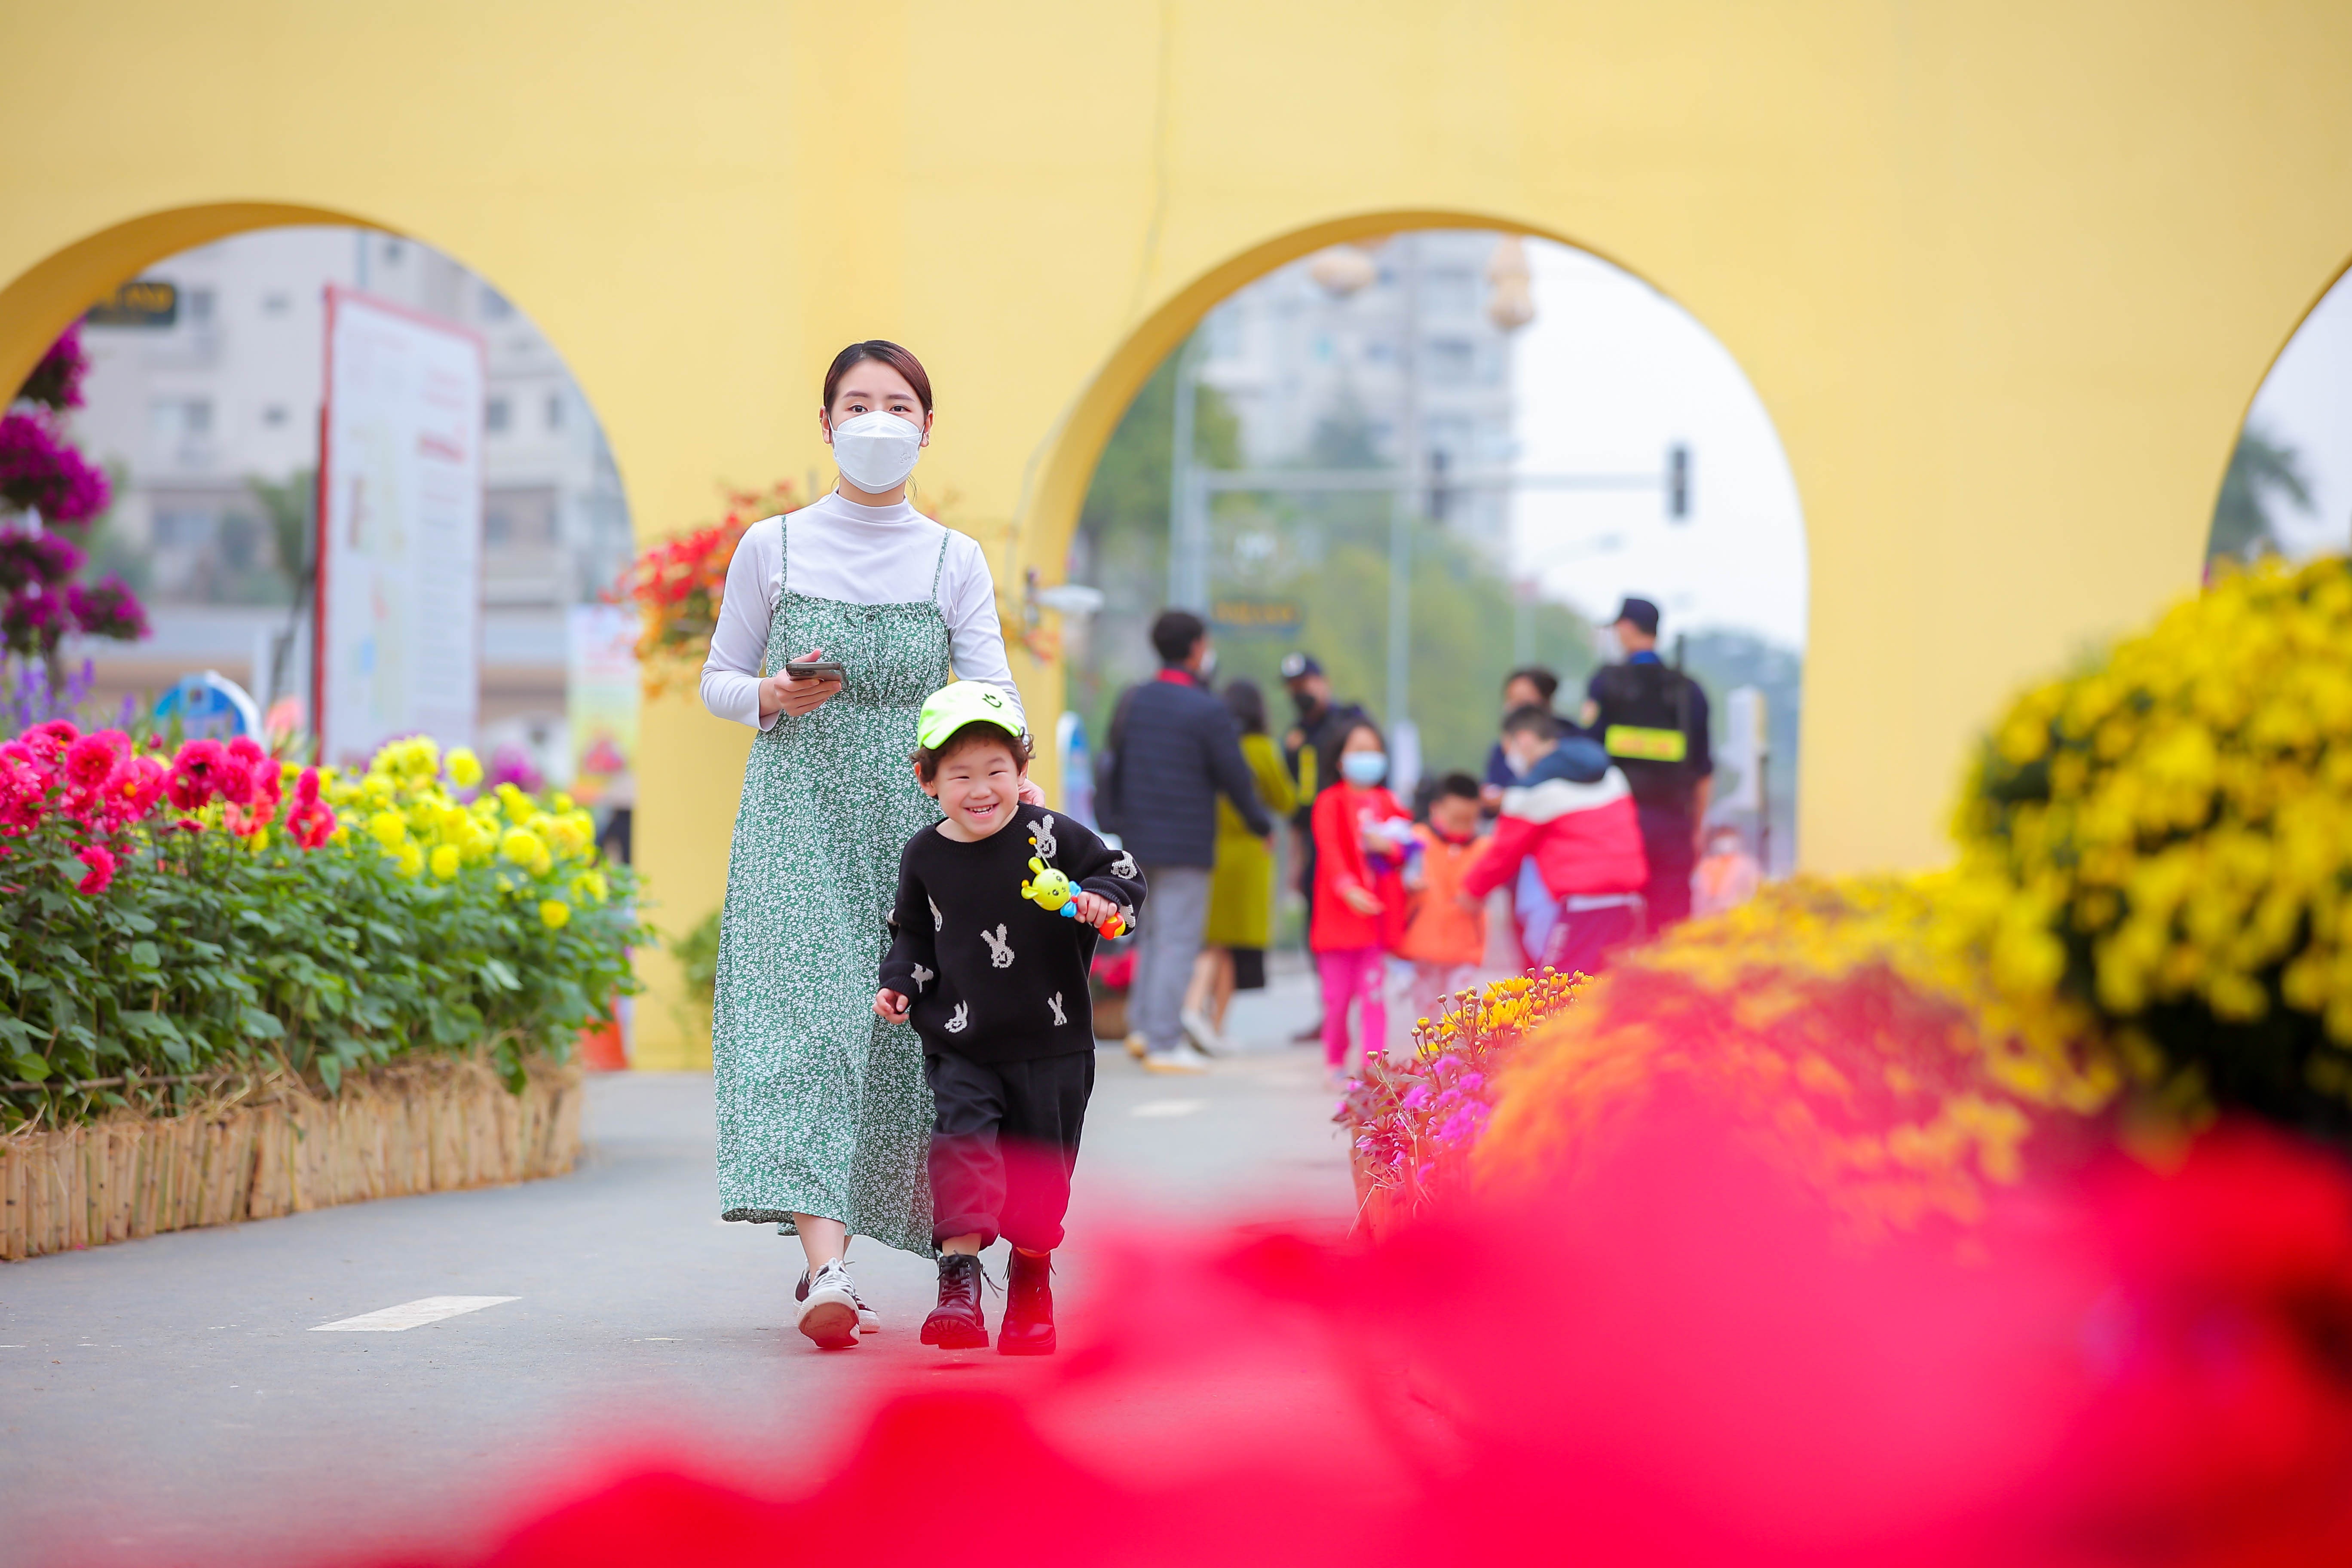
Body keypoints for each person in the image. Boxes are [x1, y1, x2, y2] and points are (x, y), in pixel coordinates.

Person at [700, 340, 1033, 1348]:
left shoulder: (952, 558)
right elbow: (719, 678)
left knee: (913, 1035)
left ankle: (934, 1256)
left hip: (922, 829)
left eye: (898, 405)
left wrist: (1010, 784)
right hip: (796, 818)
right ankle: (827, 1267)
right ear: (826, 423)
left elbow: (992, 690)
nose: (876, 420)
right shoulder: (773, 547)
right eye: (857, 404)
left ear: (927, 429)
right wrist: (770, 694)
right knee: (805, 1027)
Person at [875, 683, 1143, 1356]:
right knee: (961, 1150)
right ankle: (958, 1287)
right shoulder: (924, 855)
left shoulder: (1049, 836)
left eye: (996, 770)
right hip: (962, 1041)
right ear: (928, 781)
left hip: (1054, 1044)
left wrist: (1099, 899)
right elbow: (912, 935)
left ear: (1021, 772)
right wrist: (901, 983)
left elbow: (1121, 871)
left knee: (1040, 1178)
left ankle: (1030, 1284)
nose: (980, 789)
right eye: (960, 775)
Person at [1097, 610, 1273, 1073]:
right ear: (1197, 648)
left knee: (1150, 934)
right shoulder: (1207, 709)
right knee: (1176, 940)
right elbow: (1235, 778)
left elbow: (1111, 759)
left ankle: (1142, 1028)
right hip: (1186, 844)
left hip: (1137, 839)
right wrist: (1261, 826)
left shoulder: (1134, 698)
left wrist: (1111, 820)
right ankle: (1163, 1041)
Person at [1463, 707, 1649, 978]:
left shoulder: (1530, 793)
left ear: (1524, 739)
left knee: (1553, 991)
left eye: (1508, 749)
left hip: (1583, 908)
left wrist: (1470, 893)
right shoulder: (1611, 774)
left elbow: (1502, 856)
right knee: (1613, 989)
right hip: (1629, 903)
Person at [1580, 597, 1713, 931]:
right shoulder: (1688, 691)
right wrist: (1696, 829)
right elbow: (1703, 770)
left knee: (1613, 923)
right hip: (1673, 824)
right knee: (1669, 927)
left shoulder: (1606, 683)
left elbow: (1587, 758)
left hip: (1617, 822)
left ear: (1626, 628)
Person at [1186, 679, 1295, 1051]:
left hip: (1209, 847)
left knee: (1211, 940)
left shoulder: (1212, 744)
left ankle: (1201, 1018)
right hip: (1250, 853)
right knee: (1229, 945)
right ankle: (1212, 1025)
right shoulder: (1261, 749)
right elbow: (1285, 800)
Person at [1309, 717, 1411, 1084]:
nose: (1368, 757)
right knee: (1337, 1000)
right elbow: (1330, 850)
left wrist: (1391, 848)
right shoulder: (1329, 801)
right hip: (1338, 918)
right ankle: (1335, 1059)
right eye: (1359, 750)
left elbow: (1409, 846)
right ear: (1341, 760)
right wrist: (1347, 887)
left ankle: (1373, 1069)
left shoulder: (1390, 802)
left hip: (1375, 920)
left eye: (1374, 750)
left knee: (1374, 996)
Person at [1279, 651, 1370, 1043]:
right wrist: (1295, 860)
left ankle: (1364, 1010)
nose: (1301, 693)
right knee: (1319, 930)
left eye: (1307, 684)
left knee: (1361, 925)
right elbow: (1295, 805)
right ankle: (1332, 1012)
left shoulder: (1350, 724)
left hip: (1354, 840)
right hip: (1315, 845)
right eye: (1294, 688)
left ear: (1324, 682)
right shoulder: (1295, 738)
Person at [1398, 772, 1488, 1026]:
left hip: (1466, 946)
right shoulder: (1416, 840)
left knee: (1461, 1011)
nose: (1462, 827)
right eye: (1456, 819)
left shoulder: (1484, 848)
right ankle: (1434, 1052)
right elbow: (1396, 874)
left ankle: (1458, 1051)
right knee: (1428, 1015)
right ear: (1436, 809)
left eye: (1469, 820)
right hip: (1424, 943)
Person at [1480, 666, 1559, 813]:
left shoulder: (1568, 743)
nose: (1514, 706)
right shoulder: (1501, 750)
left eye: (1523, 699)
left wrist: (1511, 798)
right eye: (1510, 699)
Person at [1692, 822, 1762, 917]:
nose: (1725, 843)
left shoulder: (1748, 864)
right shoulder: (1706, 864)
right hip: (1707, 917)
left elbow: (1754, 892)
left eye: (1728, 837)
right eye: (1722, 838)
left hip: (1736, 916)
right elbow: (1698, 895)